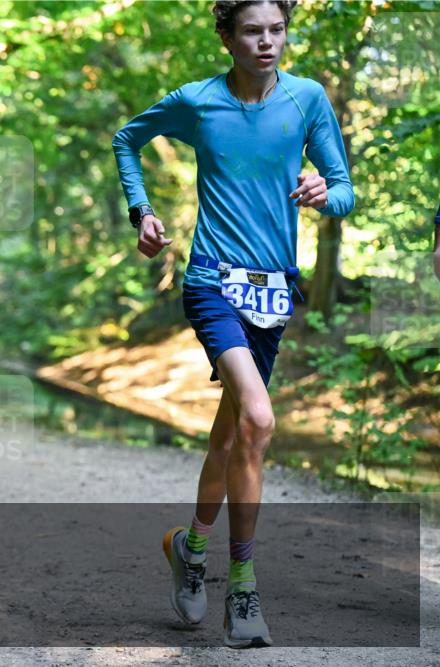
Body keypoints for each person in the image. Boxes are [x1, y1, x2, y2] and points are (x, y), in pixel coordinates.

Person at [111, 0, 354, 648]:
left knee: (232, 436)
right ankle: (242, 588)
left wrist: (327, 193)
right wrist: (142, 212)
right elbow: (126, 138)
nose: (267, 42)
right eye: (252, 31)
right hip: (212, 282)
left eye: (277, 29)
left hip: (273, 294)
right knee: (261, 418)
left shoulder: (306, 99)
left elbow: (345, 189)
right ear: (227, 36)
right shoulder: (199, 101)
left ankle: (190, 548)